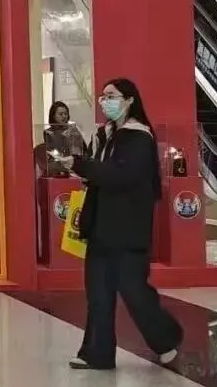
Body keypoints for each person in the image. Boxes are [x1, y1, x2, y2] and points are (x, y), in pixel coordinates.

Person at [55, 78, 183, 371]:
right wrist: (77, 165)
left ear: (129, 100)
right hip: (101, 224)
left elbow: (119, 176)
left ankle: (165, 338)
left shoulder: (139, 137)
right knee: (98, 294)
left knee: (133, 290)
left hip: (127, 227)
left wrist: (82, 165)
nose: (105, 101)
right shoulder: (104, 134)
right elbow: (98, 172)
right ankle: (96, 353)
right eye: (103, 96)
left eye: (111, 96)